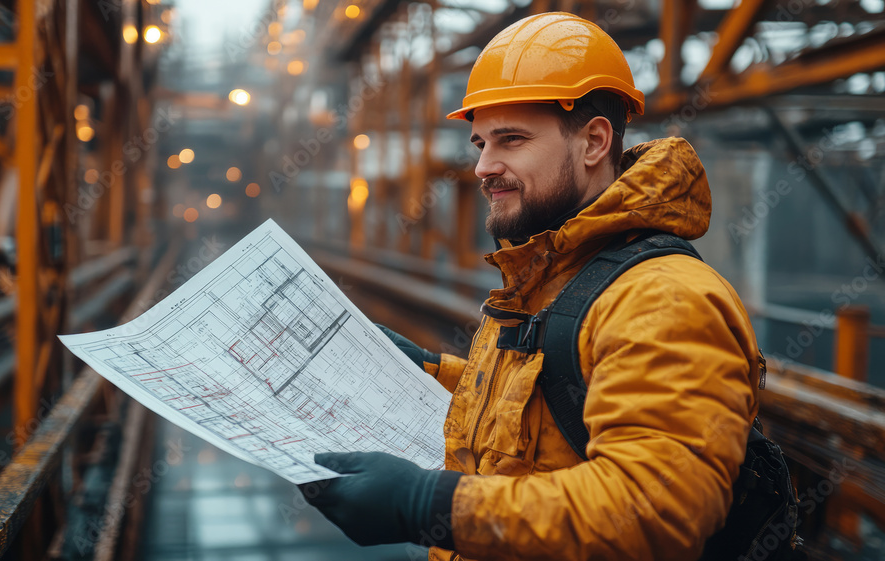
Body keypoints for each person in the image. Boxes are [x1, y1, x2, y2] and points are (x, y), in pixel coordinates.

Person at [301, 12, 764, 561]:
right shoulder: (551, 274)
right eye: (479, 144)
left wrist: (430, 504)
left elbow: (653, 509)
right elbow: (545, 411)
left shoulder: (663, 299)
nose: (483, 167)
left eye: (511, 140)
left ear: (594, 141)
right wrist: (429, 371)